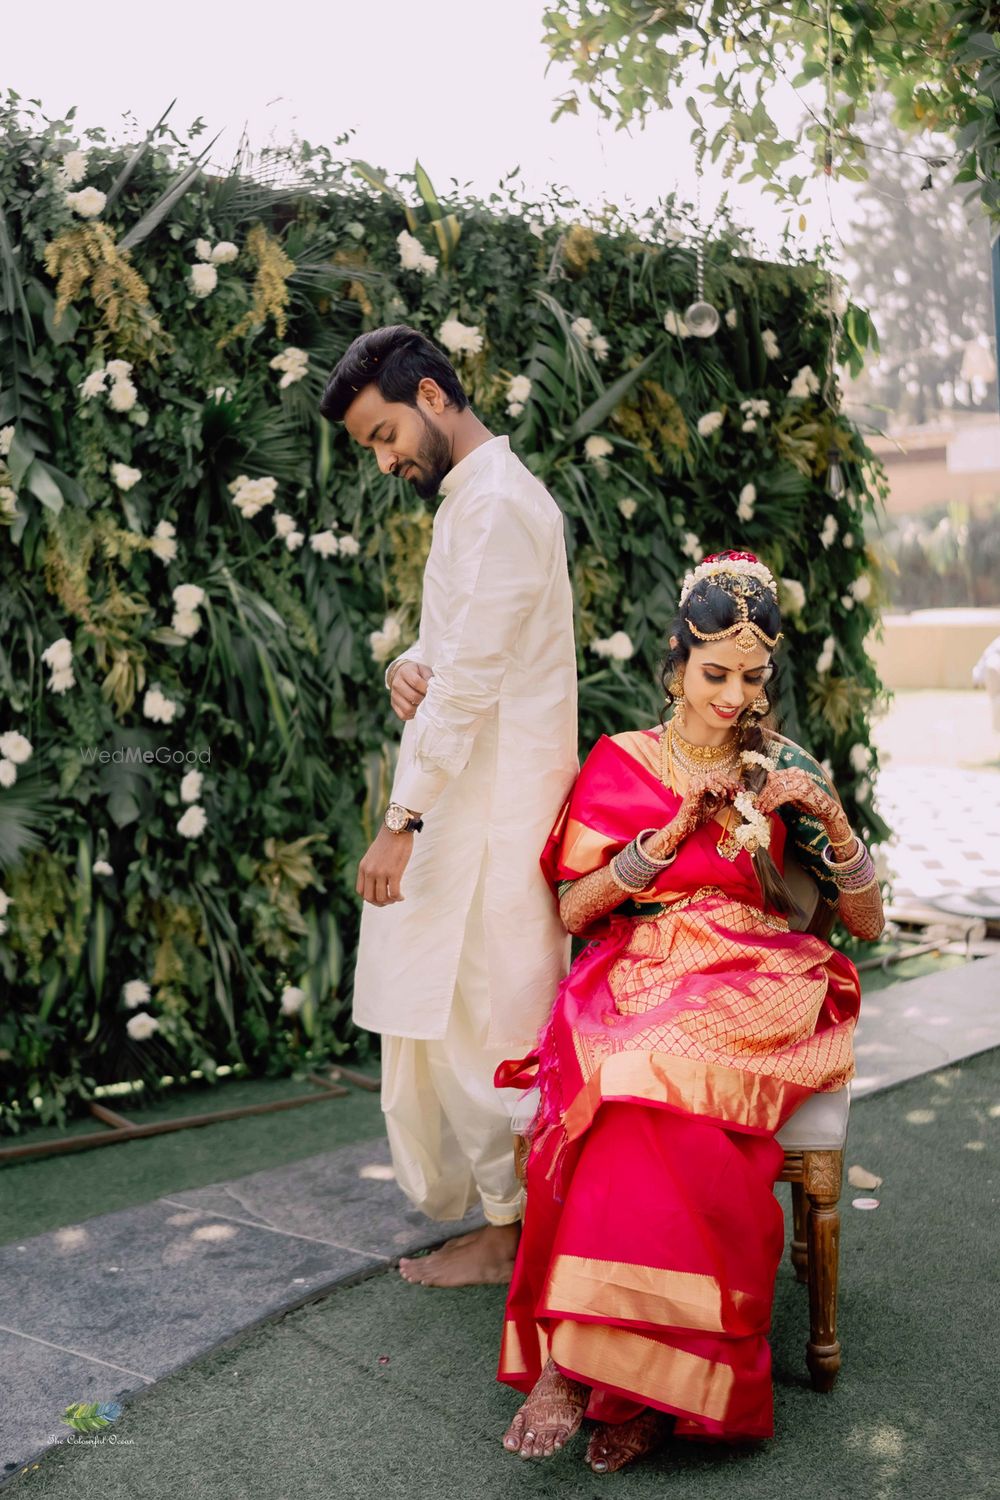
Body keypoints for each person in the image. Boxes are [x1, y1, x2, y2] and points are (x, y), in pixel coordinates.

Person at [495, 549, 885, 1474]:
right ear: (676, 665)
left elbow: (865, 923)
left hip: (758, 971)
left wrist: (830, 820)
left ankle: (624, 1373)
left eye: (753, 677)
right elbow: (575, 909)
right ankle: (603, 1368)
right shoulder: (623, 760)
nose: (734, 695)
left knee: (652, 1067)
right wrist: (667, 837)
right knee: (633, 1075)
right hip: (642, 961)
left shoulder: (783, 766)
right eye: (716, 674)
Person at [319, 325, 578, 1287]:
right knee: (451, 1008)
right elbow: (456, 656)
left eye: (384, 435)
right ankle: (506, 1226)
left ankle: (518, 1236)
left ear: (432, 396)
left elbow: (471, 685)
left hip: (492, 809)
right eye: (371, 448)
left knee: (494, 1018)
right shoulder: (474, 502)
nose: (385, 461)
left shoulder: (500, 505)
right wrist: (404, 666)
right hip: (461, 795)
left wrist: (401, 821)